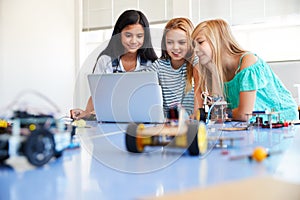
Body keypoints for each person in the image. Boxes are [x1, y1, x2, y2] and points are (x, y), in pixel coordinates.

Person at [191, 18, 298, 121]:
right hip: (253, 124)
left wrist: (215, 114)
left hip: (282, 120)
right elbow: (218, 112)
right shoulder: (215, 70)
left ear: (218, 41)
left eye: (200, 42)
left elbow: (244, 114)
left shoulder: (248, 61)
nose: (195, 50)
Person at [71, 9, 158, 120]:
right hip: (111, 119)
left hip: (143, 119)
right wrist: (86, 114)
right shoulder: (105, 61)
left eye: (139, 36)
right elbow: (97, 95)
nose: (133, 41)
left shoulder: (152, 64)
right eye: (128, 35)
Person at [146, 17, 200, 117]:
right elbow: (140, 81)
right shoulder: (159, 65)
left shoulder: (195, 62)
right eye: (170, 42)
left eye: (182, 42)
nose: (175, 47)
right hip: (166, 124)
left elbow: (201, 88)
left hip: (189, 122)